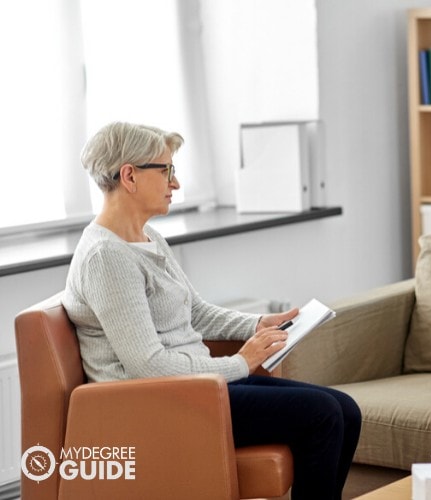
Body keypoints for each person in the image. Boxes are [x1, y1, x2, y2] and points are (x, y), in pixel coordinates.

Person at [62, 121, 361, 500]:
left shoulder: (147, 236)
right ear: (129, 176)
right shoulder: (107, 257)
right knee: (322, 414)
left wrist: (257, 324)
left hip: (199, 386)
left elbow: (196, 312)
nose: (176, 183)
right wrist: (241, 362)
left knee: (345, 410)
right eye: (167, 170)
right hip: (159, 403)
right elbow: (148, 365)